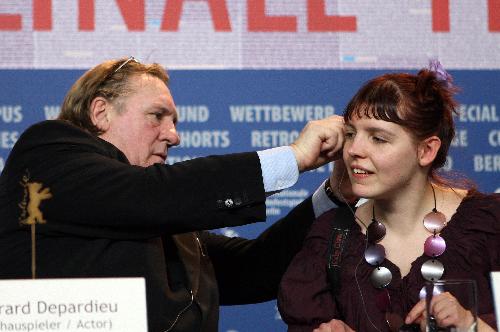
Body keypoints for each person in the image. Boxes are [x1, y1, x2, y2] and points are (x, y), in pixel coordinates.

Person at [0, 57, 350, 332]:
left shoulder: (160, 220)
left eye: (175, 122)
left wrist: (334, 195)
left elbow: (254, 269)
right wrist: (293, 158)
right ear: (101, 112)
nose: (173, 135)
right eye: (157, 116)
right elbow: (150, 194)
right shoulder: (48, 153)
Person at [278, 61, 500, 332]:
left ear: (426, 150)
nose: (354, 150)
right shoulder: (330, 238)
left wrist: (471, 325)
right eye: (350, 134)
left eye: (378, 139)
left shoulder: (490, 225)